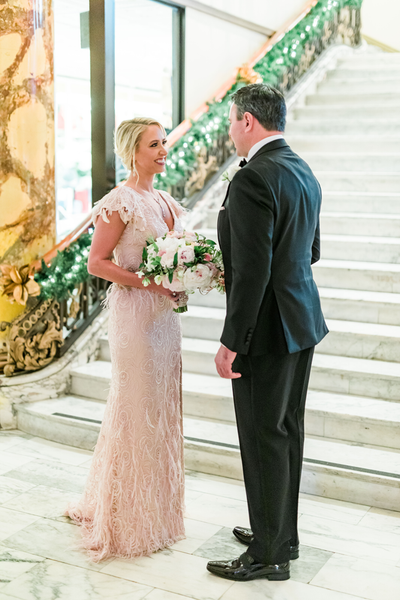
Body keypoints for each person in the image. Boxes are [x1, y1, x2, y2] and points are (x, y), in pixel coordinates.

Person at [207, 84, 328, 582]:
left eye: (232, 121)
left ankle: (268, 554)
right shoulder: (303, 170)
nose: (231, 130)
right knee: (285, 433)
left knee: (262, 437)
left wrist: (232, 339)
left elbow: (254, 271)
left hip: (268, 331)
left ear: (249, 122)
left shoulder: (255, 177)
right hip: (302, 323)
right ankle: (280, 533)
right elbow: (311, 251)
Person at [66, 118, 187, 561]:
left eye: (164, 143)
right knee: (135, 409)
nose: (162, 150)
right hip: (136, 318)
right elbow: (97, 263)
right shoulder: (120, 202)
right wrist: (147, 283)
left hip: (165, 320)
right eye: (154, 144)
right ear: (132, 151)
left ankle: (158, 514)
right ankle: (126, 519)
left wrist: (189, 275)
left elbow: (174, 258)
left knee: (161, 409)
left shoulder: (164, 200)